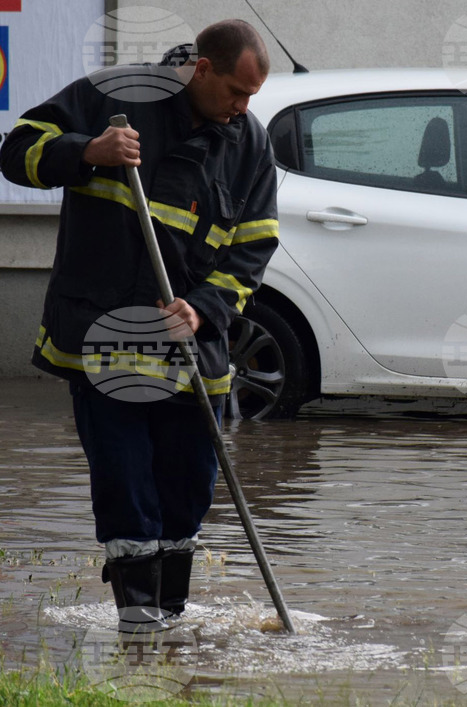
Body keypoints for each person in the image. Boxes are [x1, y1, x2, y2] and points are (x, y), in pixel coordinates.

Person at [0, 20, 279, 632]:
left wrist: (205, 306)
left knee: (188, 487)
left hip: (191, 345)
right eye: (236, 91)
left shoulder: (249, 143)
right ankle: (138, 624)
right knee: (127, 485)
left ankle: (170, 621)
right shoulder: (114, 97)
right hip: (104, 337)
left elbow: (255, 245)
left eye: (252, 97)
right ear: (202, 68)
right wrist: (86, 152)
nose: (243, 108)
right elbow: (15, 150)